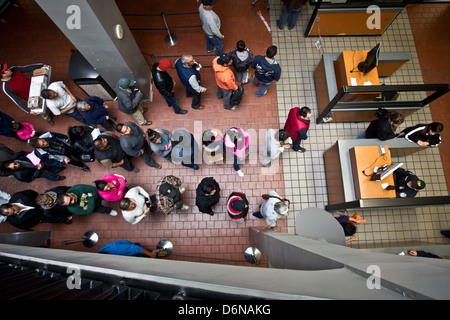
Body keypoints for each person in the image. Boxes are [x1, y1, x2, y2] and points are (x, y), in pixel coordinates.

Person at [0, 189, 68, 230]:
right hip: (42, 217)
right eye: (13, 213)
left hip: (44, 203)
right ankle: (66, 218)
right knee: (58, 217)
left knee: (60, 206)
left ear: (11, 204)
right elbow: (26, 226)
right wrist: (38, 219)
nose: (15, 212)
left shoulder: (18, 196)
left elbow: (30, 192)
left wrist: (39, 200)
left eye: (13, 210)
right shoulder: (15, 221)